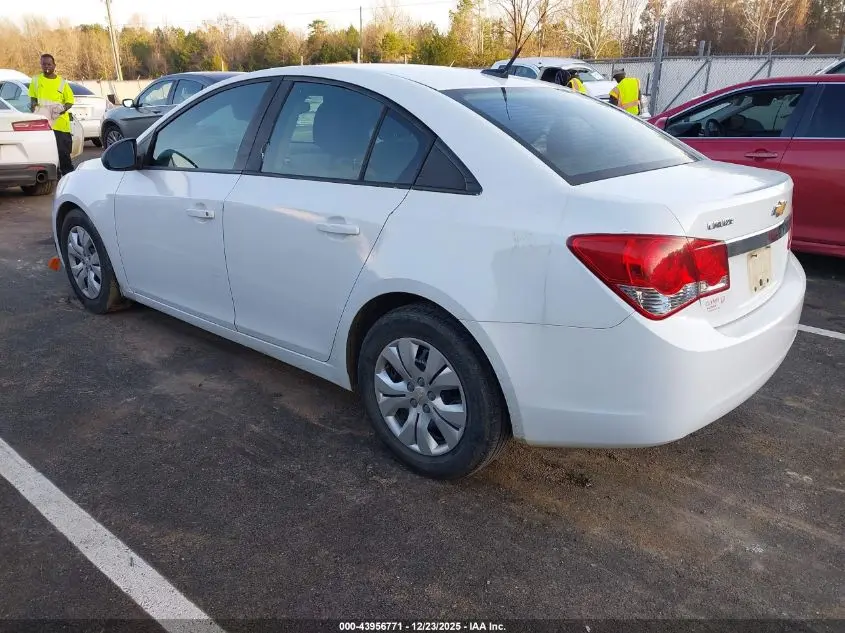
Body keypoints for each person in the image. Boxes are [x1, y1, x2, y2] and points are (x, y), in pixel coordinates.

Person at [28, 53, 75, 178]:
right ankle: (51, 175)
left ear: (54, 65)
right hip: (43, 124)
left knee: (63, 152)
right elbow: (33, 98)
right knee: (45, 151)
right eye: (44, 64)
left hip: (60, 123)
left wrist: (62, 109)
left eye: (49, 64)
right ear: (41, 65)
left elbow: (70, 101)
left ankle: (68, 176)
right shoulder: (36, 80)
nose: (46, 66)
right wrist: (33, 105)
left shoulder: (62, 82)